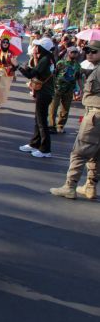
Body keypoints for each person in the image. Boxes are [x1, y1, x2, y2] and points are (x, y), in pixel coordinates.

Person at [50, 40, 100, 200]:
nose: (88, 53)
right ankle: (90, 187)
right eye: (87, 50)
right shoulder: (95, 69)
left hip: (95, 116)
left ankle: (70, 186)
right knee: (96, 155)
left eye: (93, 51)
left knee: (80, 152)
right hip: (94, 114)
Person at [18, 37, 55, 158]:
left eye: (37, 46)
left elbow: (30, 74)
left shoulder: (45, 59)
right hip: (45, 93)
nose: (35, 47)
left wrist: (17, 67)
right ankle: (35, 144)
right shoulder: (48, 58)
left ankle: (45, 149)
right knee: (38, 120)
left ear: (42, 48)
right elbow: (36, 71)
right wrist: (33, 58)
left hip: (44, 93)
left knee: (41, 122)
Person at [48, 46, 82, 134]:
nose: (74, 54)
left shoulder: (77, 65)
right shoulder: (61, 63)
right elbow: (54, 75)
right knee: (53, 107)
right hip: (57, 89)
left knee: (65, 109)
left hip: (69, 90)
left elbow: (78, 78)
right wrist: (51, 86)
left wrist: (81, 89)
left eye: (76, 52)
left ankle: (60, 126)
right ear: (68, 53)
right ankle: (51, 126)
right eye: (73, 52)